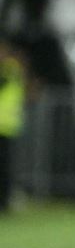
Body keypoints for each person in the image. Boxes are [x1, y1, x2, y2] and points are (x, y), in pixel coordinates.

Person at [0, 45, 25, 212]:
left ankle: (5, 200)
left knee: (4, 167)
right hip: (6, 125)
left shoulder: (10, 69)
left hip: (5, 125)